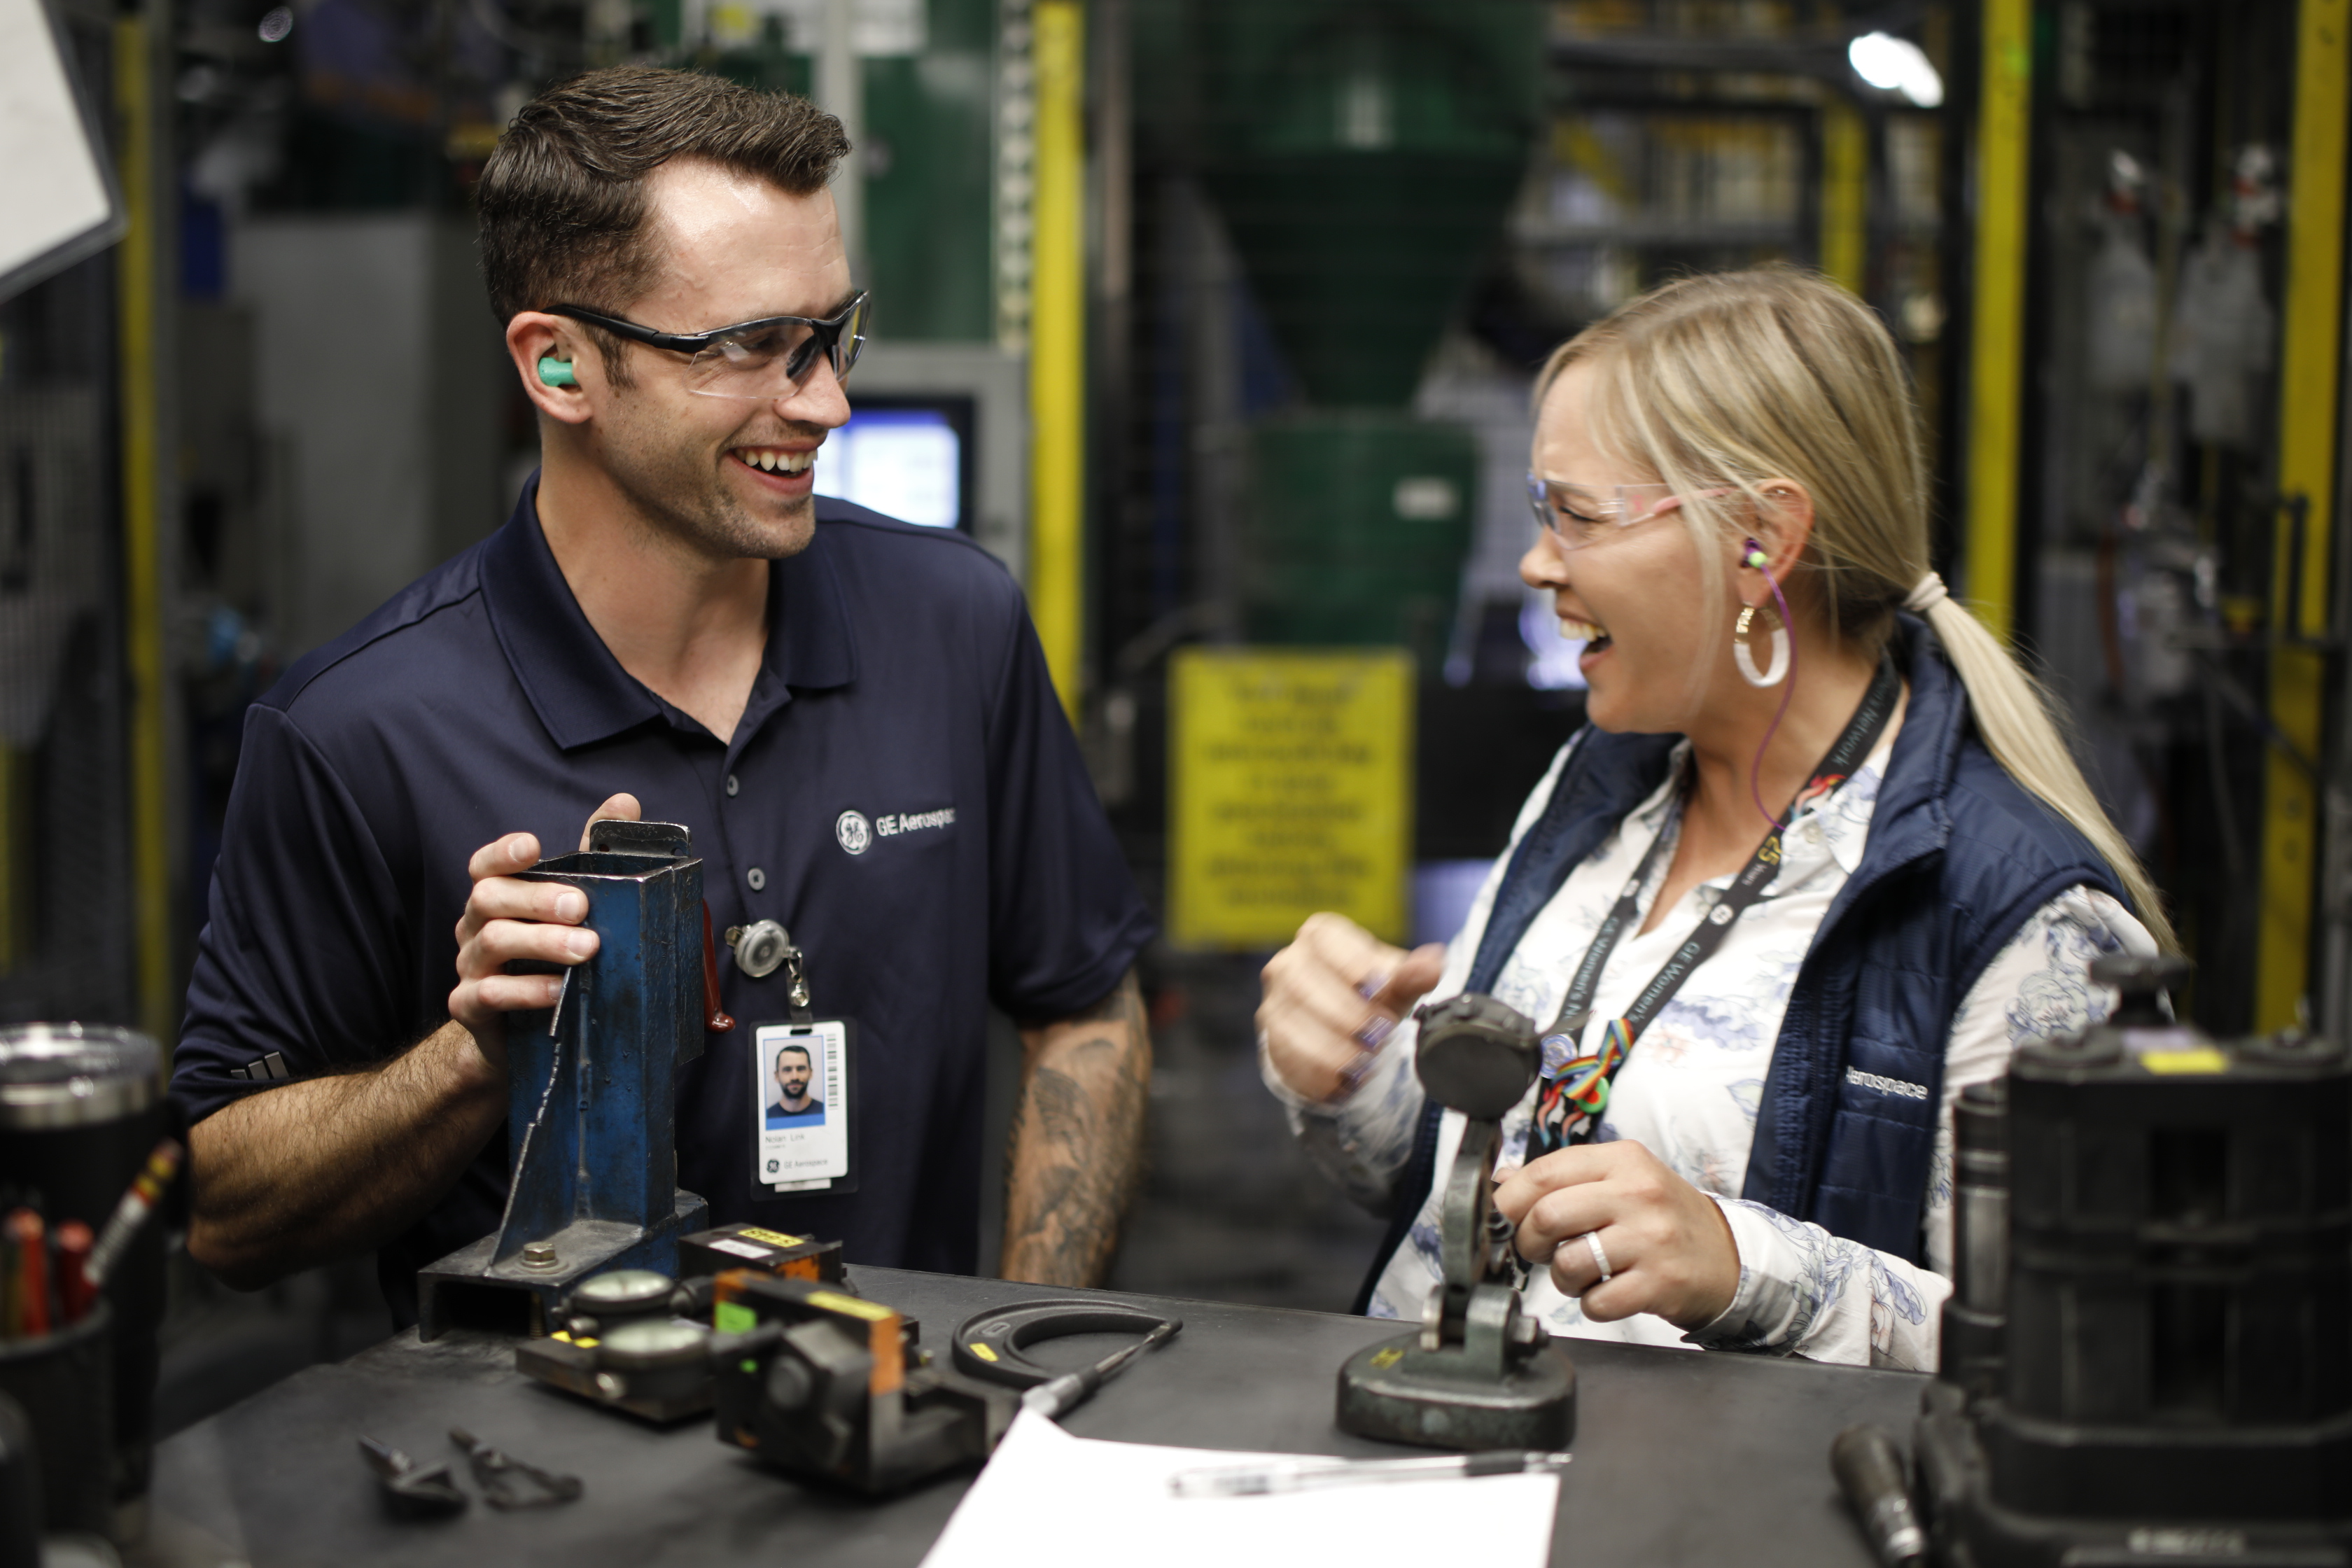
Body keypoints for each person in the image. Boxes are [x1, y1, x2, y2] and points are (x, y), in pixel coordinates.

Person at [172, 67, 1156, 1324]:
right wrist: (472, 1056)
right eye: (749, 346)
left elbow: (1086, 1012)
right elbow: (227, 1215)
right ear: (561, 366)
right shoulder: (357, 732)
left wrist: (1019, 1349)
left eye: (832, 332)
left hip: (901, 1425)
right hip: (533, 1442)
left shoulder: (953, 625)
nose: (827, 401)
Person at [1257, 266, 2169, 1369]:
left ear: (1761, 541)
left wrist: (1751, 1270)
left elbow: (2086, 1356)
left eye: (1578, 516)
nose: (1537, 563)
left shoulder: (2022, 921)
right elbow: (1460, 1197)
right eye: (1544, 514)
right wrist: (1350, 1069)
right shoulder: (1600, 786)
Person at [765, 1044, 824, 1128]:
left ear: (810, 1073)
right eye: (787, 1070)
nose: (795, 1077)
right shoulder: (766, 1118)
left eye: (801, 1069)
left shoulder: (826, 1112)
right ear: (777, 1076)